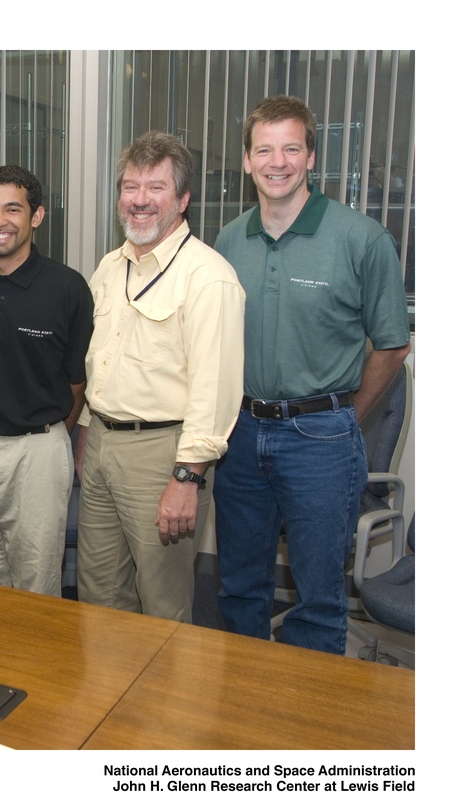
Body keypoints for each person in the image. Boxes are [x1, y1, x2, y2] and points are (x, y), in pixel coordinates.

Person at [213, 95, 411, 655]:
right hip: (240, 435)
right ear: (247, 161)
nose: (278, 162)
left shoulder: (361, 239)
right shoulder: (229, 240)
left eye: (291, 148)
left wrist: (345, 414)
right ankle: (243, 707)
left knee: (319, 599)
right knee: (238, 588)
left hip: (321, 440)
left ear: (312, 157)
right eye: (264, 149)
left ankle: (310, 732)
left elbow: (392, 346)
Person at [77, 131, 246, 622]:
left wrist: (186, 477)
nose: (140, 200)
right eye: (131, 187)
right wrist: (88, 433)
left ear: (182, 199)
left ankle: (166, 701)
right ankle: (112, 697)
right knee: (99, 592)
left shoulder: (208, 277)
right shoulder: (111, 267)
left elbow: (214, 391)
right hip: (105, 444)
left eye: (156, 188)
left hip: (163, 456)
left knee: (162, 603)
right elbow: (99, 359)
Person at [0, 166, 93, 596]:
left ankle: (33, 665)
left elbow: (77, 381)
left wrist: (48, 437)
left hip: (38, 449)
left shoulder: (68, 288)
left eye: (13, 209)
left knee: (36, 576)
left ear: (37, 216)